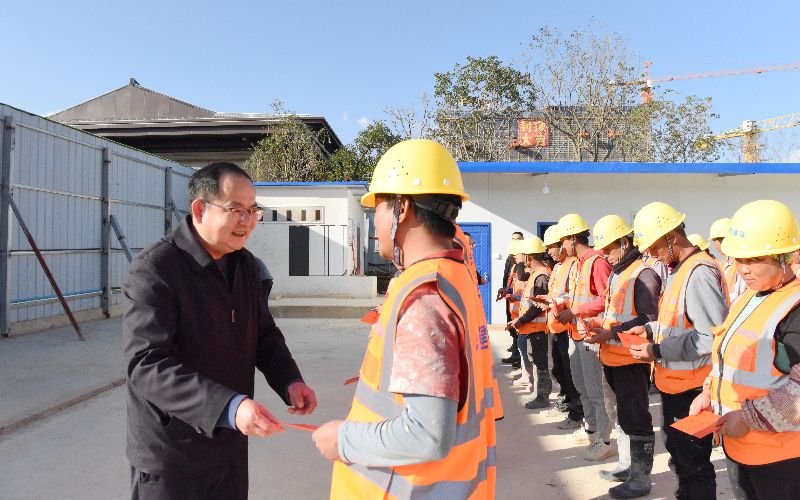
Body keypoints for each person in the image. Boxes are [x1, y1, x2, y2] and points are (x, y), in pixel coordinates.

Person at [312, 139, 499, 499]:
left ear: (403, 207)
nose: (375, 222)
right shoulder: (454, 275)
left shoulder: (424, 297)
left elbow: (427, 434)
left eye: (378, 208)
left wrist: (343, 439)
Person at [123, 162, 317, 499]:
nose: (247, 221)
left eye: (253, 211)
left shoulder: (244, 265)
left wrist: (290, 380)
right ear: (200, 210)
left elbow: (263, 334)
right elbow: (146, 365)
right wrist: (230, 406)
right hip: (171, 456)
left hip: (228, 448)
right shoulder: (155, 269)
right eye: (236, 210)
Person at [690, 200, 800, 500]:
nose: (743, 270)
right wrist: (709, 393)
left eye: (754, 260)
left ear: (784, 257)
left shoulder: (794, 308)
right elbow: (727, 360)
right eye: (739, 260)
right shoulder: (746, 300)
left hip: (780, 459)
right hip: (738, 446)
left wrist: (748, 419)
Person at [627, 202, 728, 500]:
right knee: (682, 460)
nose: (652, 254)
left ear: (671, 237)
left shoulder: (698, 273)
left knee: (693, 467)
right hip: (676, 386)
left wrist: (657, 350)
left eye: (655, 247)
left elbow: (709, 338)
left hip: (693, 391)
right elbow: (677, 322)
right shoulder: (678, 272)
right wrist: (649, 330)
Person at [585, 215, 661, 498]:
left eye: (609, 248)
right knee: (621, 416)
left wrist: (610, 332)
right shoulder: (618, 273)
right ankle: (627, 466)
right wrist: (600, 325)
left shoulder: (643, 274)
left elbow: (648, 319)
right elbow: (616, 313)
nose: (605, 254)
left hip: (631, 358)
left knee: (636, 416)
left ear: (624, 243)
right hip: (613, 356)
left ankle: (640, 478)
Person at [554, 213, 616, 461]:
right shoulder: (579, 263)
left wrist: (575, 311)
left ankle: (605, 439)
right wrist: (564, 305)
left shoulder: (597, 262)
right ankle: (590, 429)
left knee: (596, 391)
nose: (561, 247)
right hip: (576, 333)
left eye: (562, 241)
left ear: (572, 238)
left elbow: (606, 299)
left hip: (591, 336)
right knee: (582, 386)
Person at [542, 224, 584, 423]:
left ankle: (577, 410)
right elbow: (556, 293)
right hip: (556, 324)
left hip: (568, 326)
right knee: (559, 369)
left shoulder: (573, 264)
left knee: (570, 371)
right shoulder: (558, 267)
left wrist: (556, 301)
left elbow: (573, 295)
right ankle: (567, 401)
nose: (549, 252)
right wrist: (548, 300)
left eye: (551, 246)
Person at [509, 236, 552, 409]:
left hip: (538, 329)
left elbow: (537, 307)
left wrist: (521, 321)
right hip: (532, 328)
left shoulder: (541, 276)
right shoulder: (535, 274)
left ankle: (543, 397)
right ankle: (539, 395)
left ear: (528, 256)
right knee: (537, 362)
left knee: (541, 364)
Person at [500, 232, 525, 364]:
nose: (515, 241)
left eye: (518, 239)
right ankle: (515, 353)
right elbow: (507, 278)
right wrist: (505, 290)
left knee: (519, 328)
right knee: (512, 324)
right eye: (513, 239)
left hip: (521, 300)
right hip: (512, 298)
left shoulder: (524, 261)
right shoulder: (510, 260)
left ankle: (518, 357)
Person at [709, 217, 746, 304]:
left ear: (724, 240)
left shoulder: (742, 263)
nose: (714, 246)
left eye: (715, 241)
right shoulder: (722, 265)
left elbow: (742, 294)